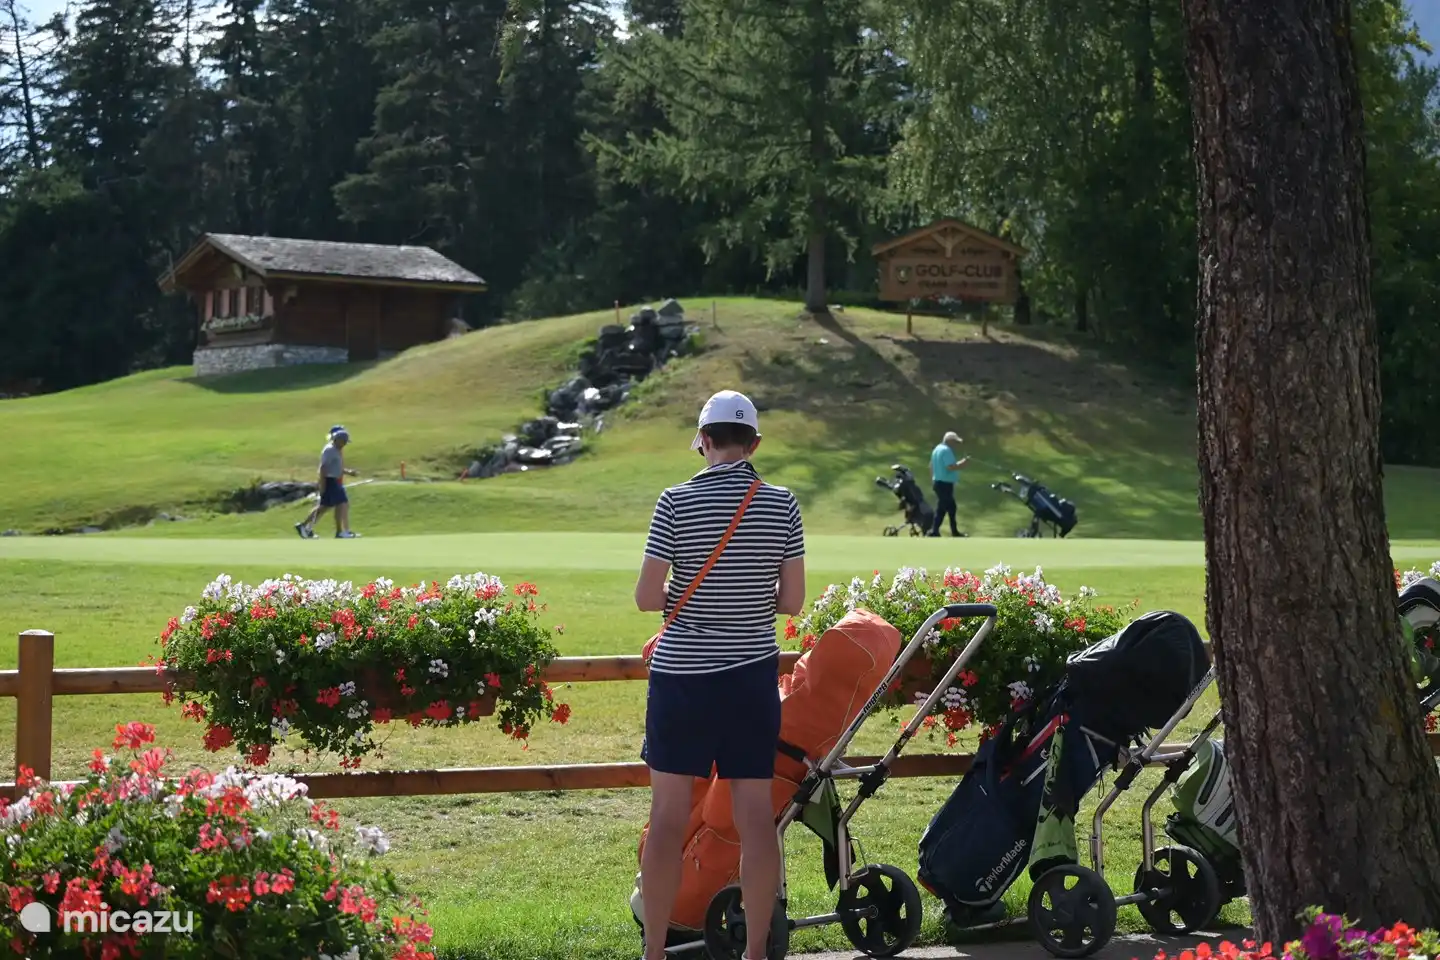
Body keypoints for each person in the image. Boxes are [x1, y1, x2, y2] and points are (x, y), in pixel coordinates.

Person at [634, 389, 806, 960]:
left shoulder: (674, 501)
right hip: (750, 679)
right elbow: (792, 601)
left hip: (682, 677)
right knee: (756, 819)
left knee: (666, 818)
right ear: (754, 444)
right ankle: (755, 952)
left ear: (703, 441)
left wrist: (692, 602)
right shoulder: (782, 504)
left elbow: (646, 597)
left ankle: (654, 952)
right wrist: (744, 601)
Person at [295, 427, 360, 539]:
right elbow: (323, 468)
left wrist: (348, 472)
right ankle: (340, 532)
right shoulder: (330, 450)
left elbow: (336, 467)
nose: (345, 444)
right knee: (342, 503)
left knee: (324, 507)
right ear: (337, 440)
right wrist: (322, 485)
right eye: (344, 442)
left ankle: (304, 526)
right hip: (330, 481)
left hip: (333, 481)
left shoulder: (337, 450)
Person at [929, 430, 969, 537]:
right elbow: (950, 467)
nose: (956, 445)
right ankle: (937, 531)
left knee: (946, 507)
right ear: (950, 441)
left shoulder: (937, 449)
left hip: (938, 482)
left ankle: (937, 531)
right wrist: (963, 463)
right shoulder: (946, 450)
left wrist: (933, 478)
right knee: (947, 507)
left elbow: (931, 465)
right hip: (944, 484)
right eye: (955, 442)